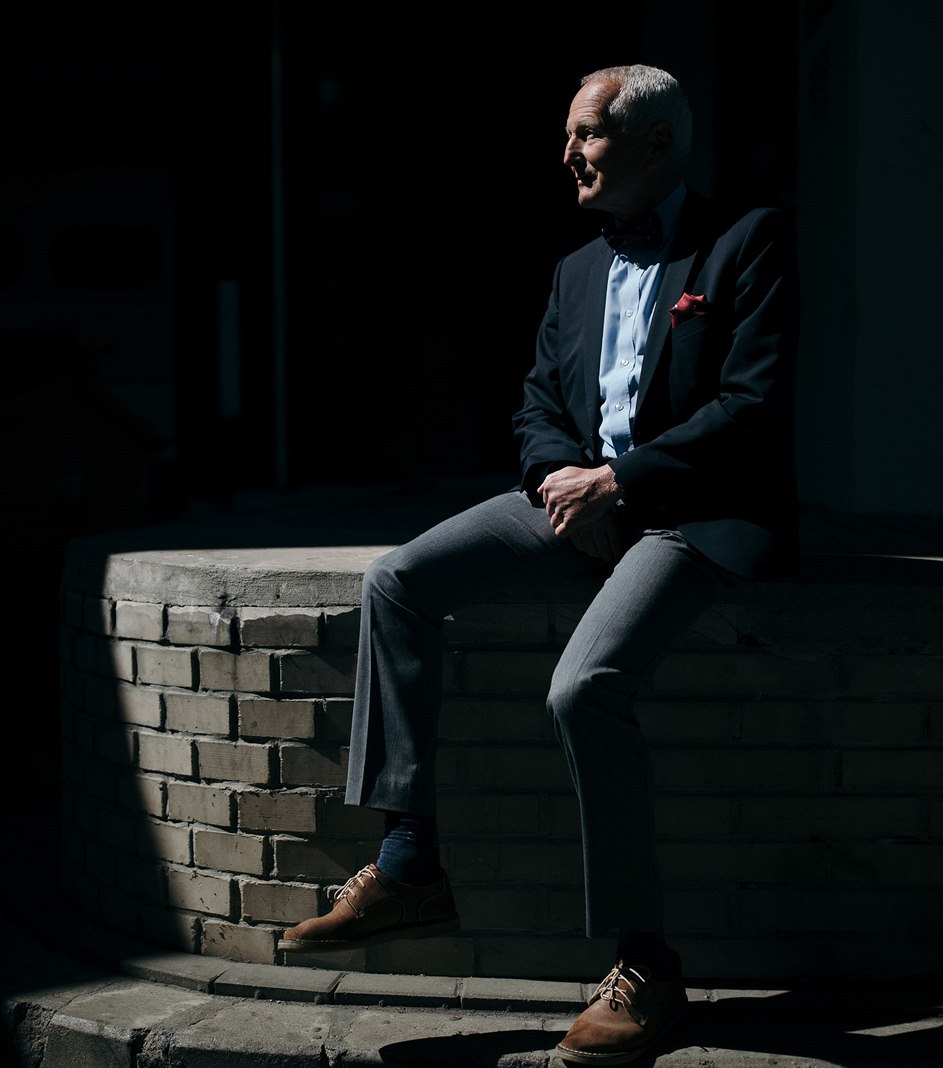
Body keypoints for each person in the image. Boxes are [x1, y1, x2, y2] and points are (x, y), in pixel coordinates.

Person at [280, 63, 799, 1066]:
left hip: (689, 515)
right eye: (569, 135)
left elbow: (752, 407)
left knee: (583, 689)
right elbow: (537, 405)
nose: (568, 154)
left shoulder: (747, 240)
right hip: (579, 502)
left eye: (587, 133)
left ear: (657, 142)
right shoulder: (574, 269)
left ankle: (647, 965)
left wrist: (620, 485)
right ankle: (408, 862)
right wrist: (564, 482)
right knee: (397, 579)